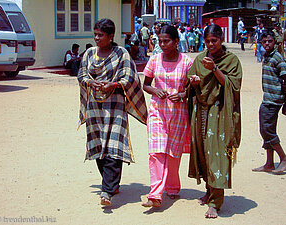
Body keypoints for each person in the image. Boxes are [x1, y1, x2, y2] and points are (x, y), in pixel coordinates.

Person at [77, 18, 148, 206]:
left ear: (110, 36)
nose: (96, 38)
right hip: (95, 108)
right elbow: (82, 74)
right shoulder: (90, 54)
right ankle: (112, 185)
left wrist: (114, 84)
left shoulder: (121, 54)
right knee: (99, 146)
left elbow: (131, 78)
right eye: (95, 34)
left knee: (114, 147)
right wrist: (91, 82)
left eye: (101, 35)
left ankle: (107, 191)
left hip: (115, 107)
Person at [187, 24, 242, 218]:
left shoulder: (231, 60)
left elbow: (233, 86)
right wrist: (193, 81)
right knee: (203, 152)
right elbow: (191, 83)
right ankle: (209, 191)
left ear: (221, 39)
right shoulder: (200, 59)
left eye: (214, 41)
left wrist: (216, 69)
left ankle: (215, 203)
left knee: (217, 153)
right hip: (201, 111)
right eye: (207, 41)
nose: (210, 44)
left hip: (220, 112)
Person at [142, 25, 193, 208]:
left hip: (178, 113)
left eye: (166, 41)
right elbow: (145, 84)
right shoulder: (154, 60)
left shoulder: (187, 62)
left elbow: (193, 87)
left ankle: (172, 187)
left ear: (176, 41)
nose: (162, 44)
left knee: (172, 152)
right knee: (156, 151)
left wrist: (181, 95)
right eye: (160, 41)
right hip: (157, 111)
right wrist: (155, 90)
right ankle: (155, 193)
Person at [252, 30, 286, 174]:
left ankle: (284, 159)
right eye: (264, 42)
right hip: (267, 98)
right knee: (266, 130)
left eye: (270, 41)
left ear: (274, 42)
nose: (267, 44)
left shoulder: (277, 58)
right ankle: (269, 163)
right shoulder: (266, 56)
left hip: (274, 100)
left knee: (267, 129)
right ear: (261, 43)